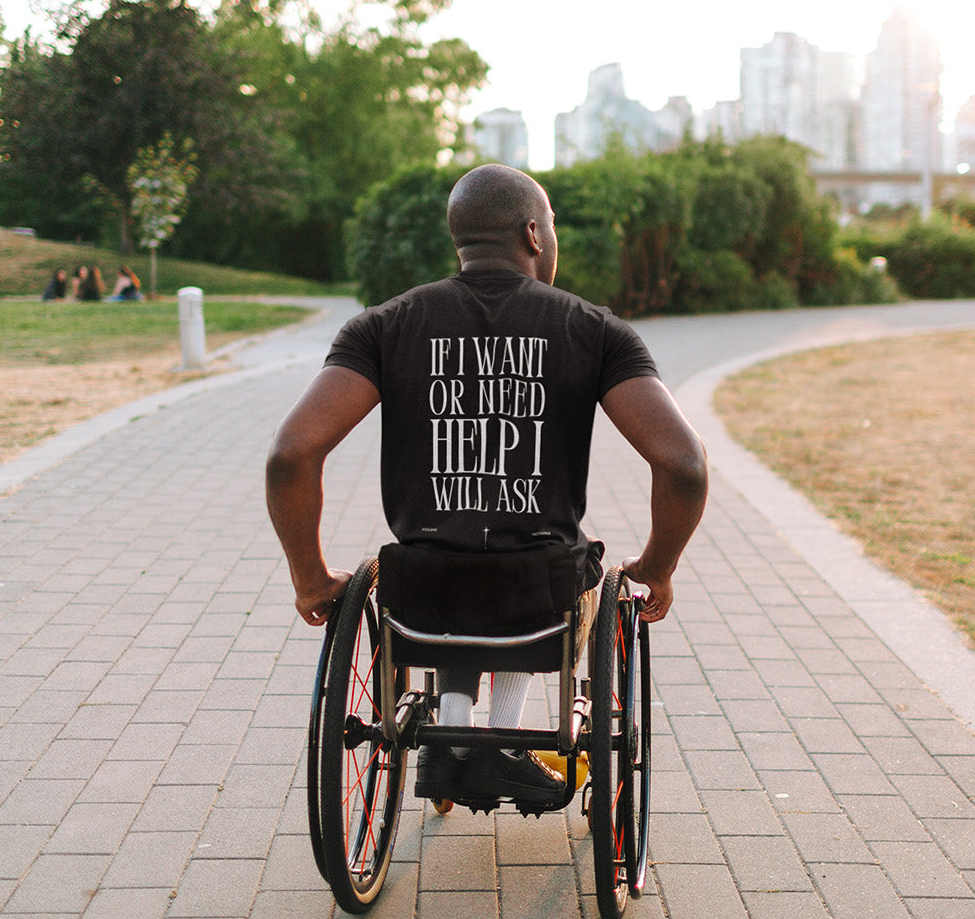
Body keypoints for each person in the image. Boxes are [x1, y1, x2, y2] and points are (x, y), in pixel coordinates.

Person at [266, 164, 708, 805]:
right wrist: (659, 567)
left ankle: (455, 738)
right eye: (551, 226)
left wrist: (310, 576)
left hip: (420, 594)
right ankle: (498, 744)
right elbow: (684, 464)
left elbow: (291, 454)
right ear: (534, 233)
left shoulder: (384, 327)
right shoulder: (593, 331)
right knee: (571, 581)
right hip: (541, 594)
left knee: (457, 566)